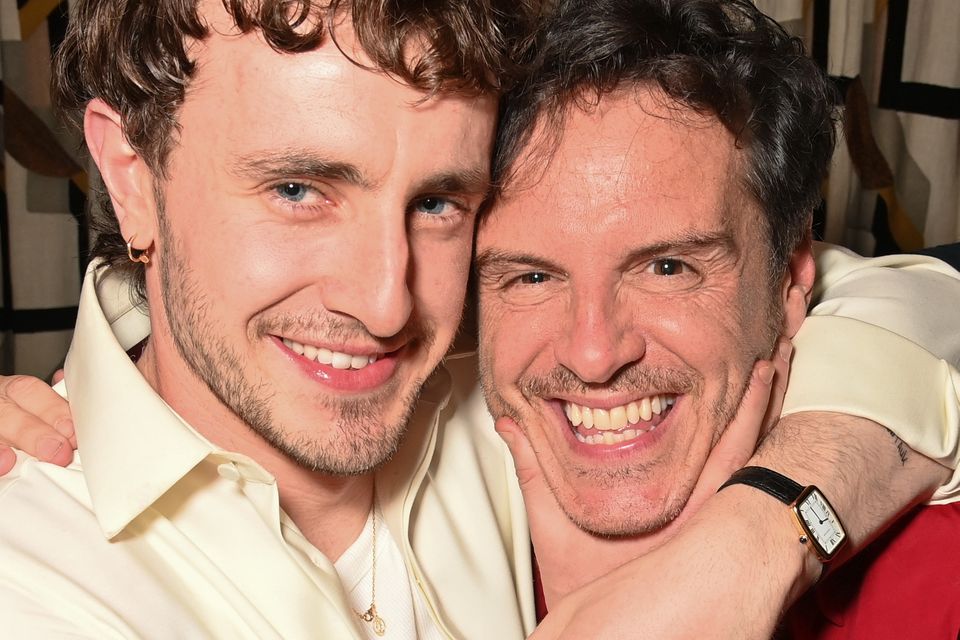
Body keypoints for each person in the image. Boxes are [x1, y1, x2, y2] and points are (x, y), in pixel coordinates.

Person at [0, 1, 958, 639]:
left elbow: (914, 293)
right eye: (298, 188)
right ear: (131, 177)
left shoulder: (496, 386)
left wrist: (760, 532)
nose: (387, 306)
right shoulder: (33, 574)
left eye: (439, 202)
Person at [473, 0, 960, 637]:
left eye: (668, 268)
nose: (593, 354)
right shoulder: (421, 522)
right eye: (532, 277)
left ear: (789, 282)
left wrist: (761, 538)